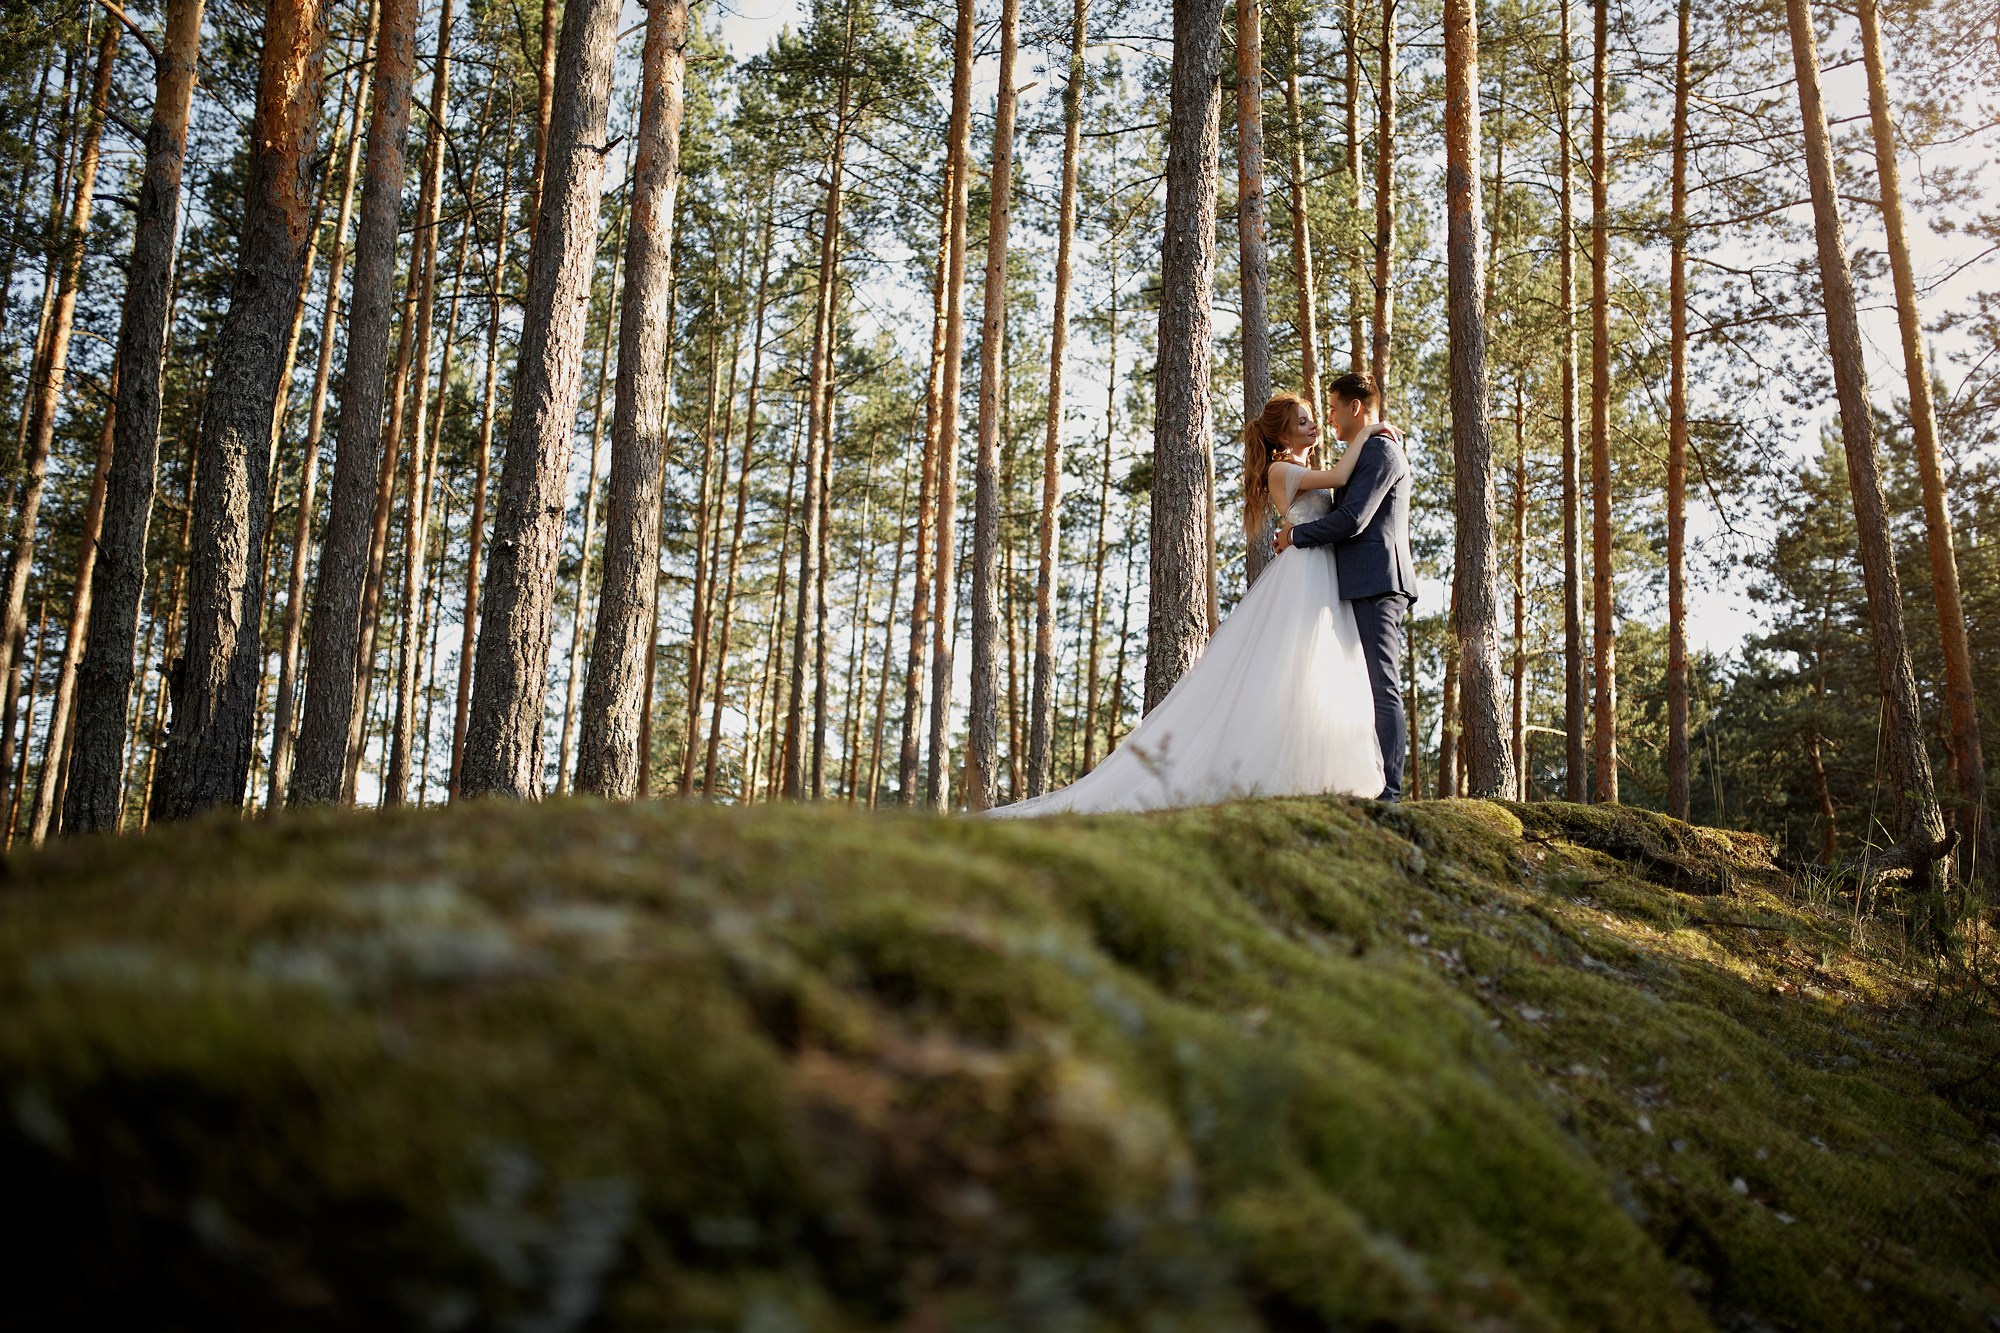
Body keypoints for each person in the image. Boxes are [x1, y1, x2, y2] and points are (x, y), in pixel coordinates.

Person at [986, 386, 1386, 817]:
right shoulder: (1281, 470)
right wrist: (1370, 432)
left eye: (1312, 418)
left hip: (1321, 570)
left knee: (1318, 669)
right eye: (1303, 422)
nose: (1314, 426)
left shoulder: (1300, 467)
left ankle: (1315, 770)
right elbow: (1342, 478)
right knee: (1292, 667)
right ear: (1284, 438)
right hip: (1304, 574)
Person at [1274, 370, 1417, 801]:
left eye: (1334, 410)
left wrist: (1296, 536)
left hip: (1377, 581)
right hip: (1353, 582)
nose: (1329, 419)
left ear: (1356, 408)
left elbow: (1353, 519)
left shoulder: (1381, 451)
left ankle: (1390, 793)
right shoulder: (1364, 450)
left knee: (1381, 684)